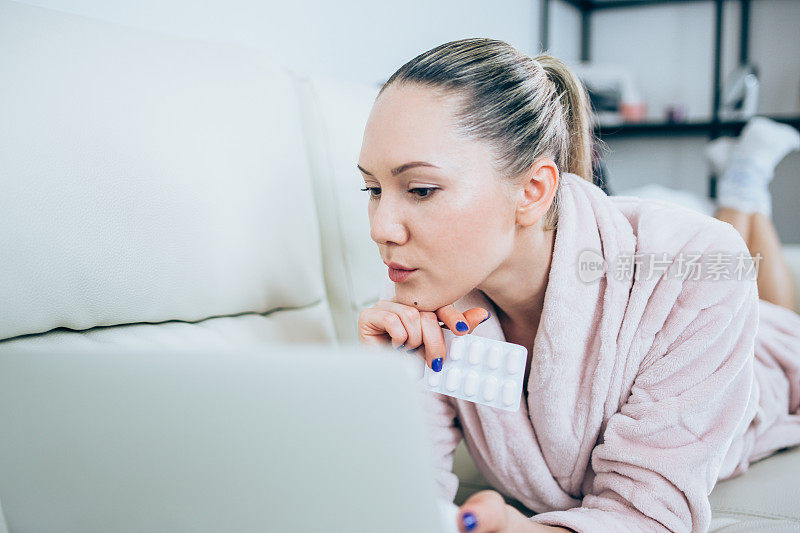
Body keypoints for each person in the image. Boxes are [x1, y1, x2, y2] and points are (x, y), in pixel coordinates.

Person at [356, 38, 800, 533]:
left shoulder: (695, 263)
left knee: (773, 310)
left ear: (532, 190)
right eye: (372, 190)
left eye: (420, 189)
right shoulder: (432, 292)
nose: (380, 226)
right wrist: (382, 384)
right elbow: (398, 498)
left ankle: (745, 179)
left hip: (762, 364)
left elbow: (646, 514)